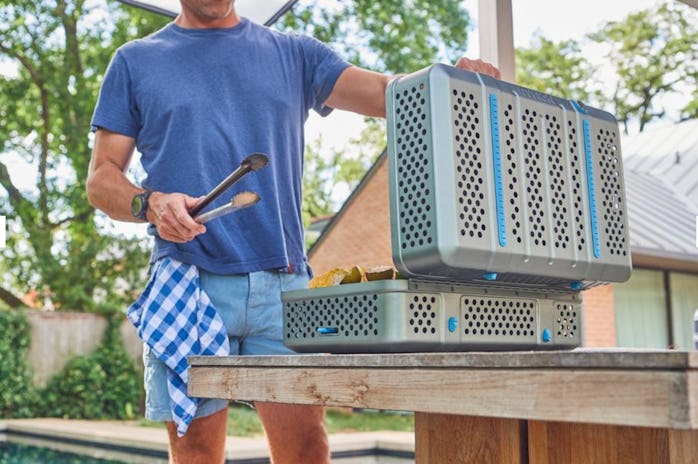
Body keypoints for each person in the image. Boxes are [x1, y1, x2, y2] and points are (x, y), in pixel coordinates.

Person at [86, 1, 500, 463]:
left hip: (284, 289)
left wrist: (446, 83)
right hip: (190, 283)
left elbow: (386, 90)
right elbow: (101, 178)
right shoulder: (135, 61)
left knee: (306, 450)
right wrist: (151, 203)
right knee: (196, 453)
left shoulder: (295, 53)